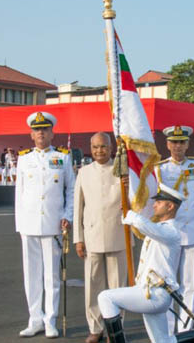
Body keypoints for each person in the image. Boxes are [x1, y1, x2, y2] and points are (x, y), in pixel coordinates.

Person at [97, 183, 184, 343]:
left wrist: (130, 214)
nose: (154, 205)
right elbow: (147, 228)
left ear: (170, 206)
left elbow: (145, 226)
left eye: (159, 202)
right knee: (162, 340)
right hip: (150, 291)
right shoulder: (159, 229)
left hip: (155, 294)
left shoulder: (170, 232)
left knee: (106, 297)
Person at [15, 111, 75, 338]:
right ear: (31, 134)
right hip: (29, 223)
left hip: (53, 223)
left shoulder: (63, 157)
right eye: (37, 130)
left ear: (52, 133)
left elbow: (71, 189)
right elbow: (19, 193)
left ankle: (50, 320)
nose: (41, 133)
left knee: (51, 276)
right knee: (31, 275)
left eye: (45, 129)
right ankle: (34, 319)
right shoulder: (24, 158)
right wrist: (19, 224)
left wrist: (67, 216)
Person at [155, 125, 194, 334]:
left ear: (187, 144)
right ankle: (169, 328)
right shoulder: (160, 168)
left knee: (191, 283)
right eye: (174, 142)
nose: (177, 146)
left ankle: (185, 326)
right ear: (167, 144)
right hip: (171, 232)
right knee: (169, 283)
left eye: (181, 142)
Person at [73, 132, 129, 343]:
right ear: (91, 147)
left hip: (117, 234)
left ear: (111, 147)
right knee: (93, 285)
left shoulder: (122, 170)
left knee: (118, 287)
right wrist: (79, 238)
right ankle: (95, 329)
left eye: (103, 146)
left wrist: (128, 187)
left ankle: (115, 329)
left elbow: (133, 201)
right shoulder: (84, 172)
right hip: (92, 236)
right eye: (95, 147)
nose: (99, 151)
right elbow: (78, 208)